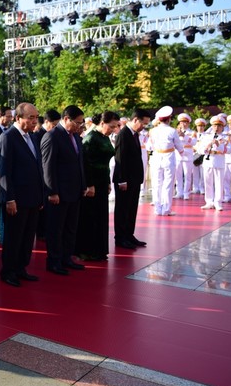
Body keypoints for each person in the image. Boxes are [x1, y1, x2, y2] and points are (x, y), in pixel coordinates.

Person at [0, 102, 43, 287]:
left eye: (36, 117)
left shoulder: (32, 137)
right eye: (30, 117)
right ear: (18, 118)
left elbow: (38, 167)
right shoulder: (8, 138)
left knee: (27, 237)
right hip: (16, 199)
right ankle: (8, 271)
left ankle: (21, 268)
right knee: (14, 237)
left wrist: (40, 195)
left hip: (32, 198)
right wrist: (10, 198)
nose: (34, 121)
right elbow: (4, 171)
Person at [41, 105, 87, 275]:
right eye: (77, 122)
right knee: (56, 229)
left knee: (70, 228)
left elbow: (79, 163)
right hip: (59, 192)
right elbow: (48, 167)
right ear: (66, 119)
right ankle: (54, 261)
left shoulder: (75, 136)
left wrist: (83, 185)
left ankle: (67, 258)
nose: (79, 126)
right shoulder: (52, 136)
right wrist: (52, 191)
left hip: (74, 190)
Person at [75, 111, 119, 261]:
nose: (113, 129)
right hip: (92, 182)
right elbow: (86, 164)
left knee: (101, 217)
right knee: (90, 217)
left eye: (115, 126)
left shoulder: (104, 137)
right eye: (111, 126)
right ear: (102, 123)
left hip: (102, 181)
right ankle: (87, 250)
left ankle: (99, 250)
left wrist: (107, 182)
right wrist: (90, 184)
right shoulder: (91, 138)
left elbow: (105, 163)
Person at [113, 109, 151, 250]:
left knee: (131, 208)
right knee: (123, 209)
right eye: (143, 123)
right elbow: (120, 159)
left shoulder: (134, 134)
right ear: (135, 120)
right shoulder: (124, 134)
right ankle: (121, 238)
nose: (144, 127)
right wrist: (122, 180)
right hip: (125, 180)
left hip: (134, 179)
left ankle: (129, 235)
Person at [146, 106, 184, 216]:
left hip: (156, 158)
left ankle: (157, 209)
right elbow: (180, 148)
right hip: (168, 158)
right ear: (169, 119)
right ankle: (166, 209)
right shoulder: (172, 131)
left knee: (156, 184)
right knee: (168, 184)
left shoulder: (152, 131)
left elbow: (148, 147)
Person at [34, 109, 60, 241]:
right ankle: (41, 232)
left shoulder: (52, 134)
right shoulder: (39, 134)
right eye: (54, 125)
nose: (55, 128)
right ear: (47, 122)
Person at [198, 115, 228, 211]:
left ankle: (218, 202)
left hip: (219, 162)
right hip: (208, 162)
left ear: (222, 127)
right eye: (215, 126)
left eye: (219, 126)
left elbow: (229, 150)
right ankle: (209, 202)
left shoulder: (225, 137)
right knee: (208, 182)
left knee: (219, 183)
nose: (217, 128)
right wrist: (207, 146)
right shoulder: (206, 137)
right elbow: (199, 150)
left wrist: (218, 145)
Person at [173, 113, 195, 200]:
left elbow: (194, 142)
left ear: (188, 123)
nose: (183, 124)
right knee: (178, 175)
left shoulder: (192, 132)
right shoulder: (175, 131)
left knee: (187, 175)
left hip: (188, 155)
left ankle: (186, 193)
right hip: (178, 155)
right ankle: (179, 192)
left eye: (185, 122)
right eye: (182, 122)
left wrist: (184, 136)